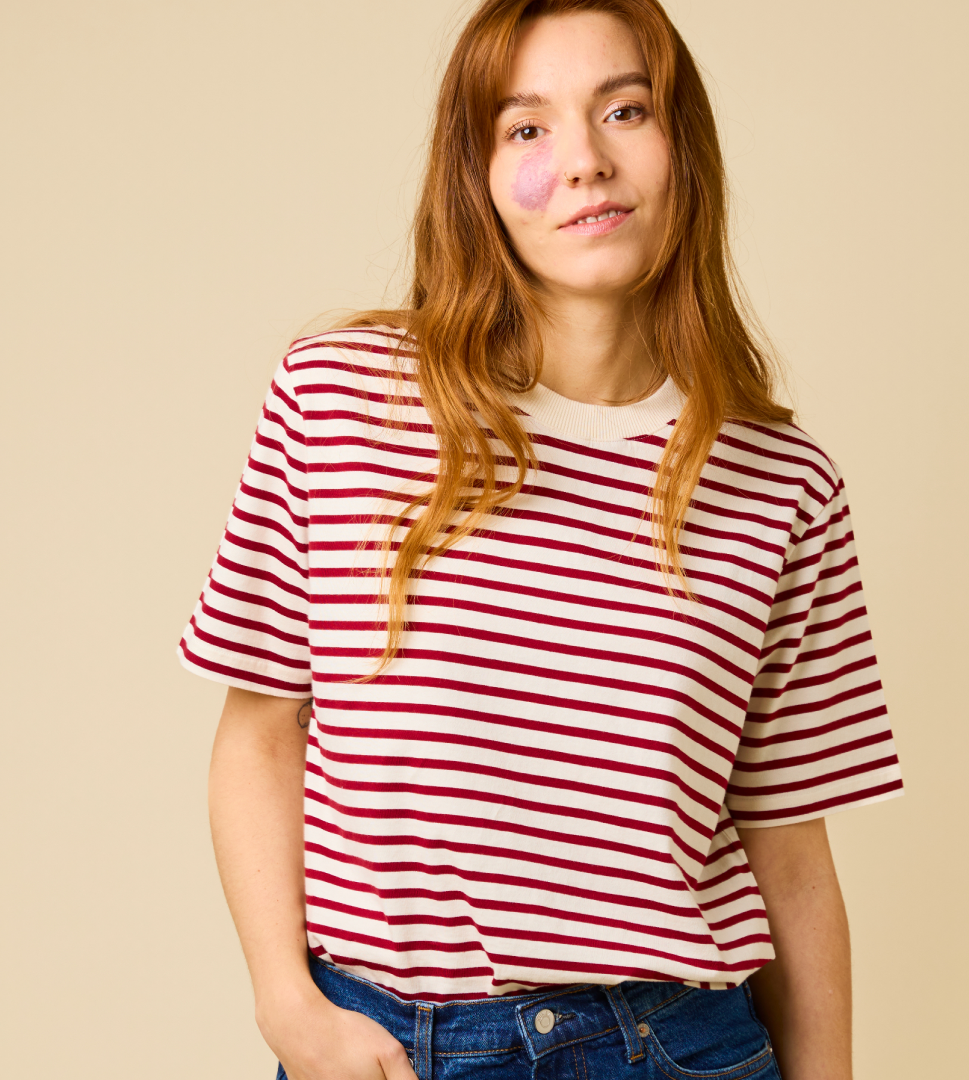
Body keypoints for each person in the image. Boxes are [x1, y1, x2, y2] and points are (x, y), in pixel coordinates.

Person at [178, 1, 903, 1077]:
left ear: (684, 147)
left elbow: (790, 854)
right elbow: (259, 732)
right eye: (528, 128)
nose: (584, 161)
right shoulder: (341, 400)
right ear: (474, 177)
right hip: (389, 1046)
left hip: (674, 1044)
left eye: (625, 110)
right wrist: (287, 1002)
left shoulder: (780, 482)